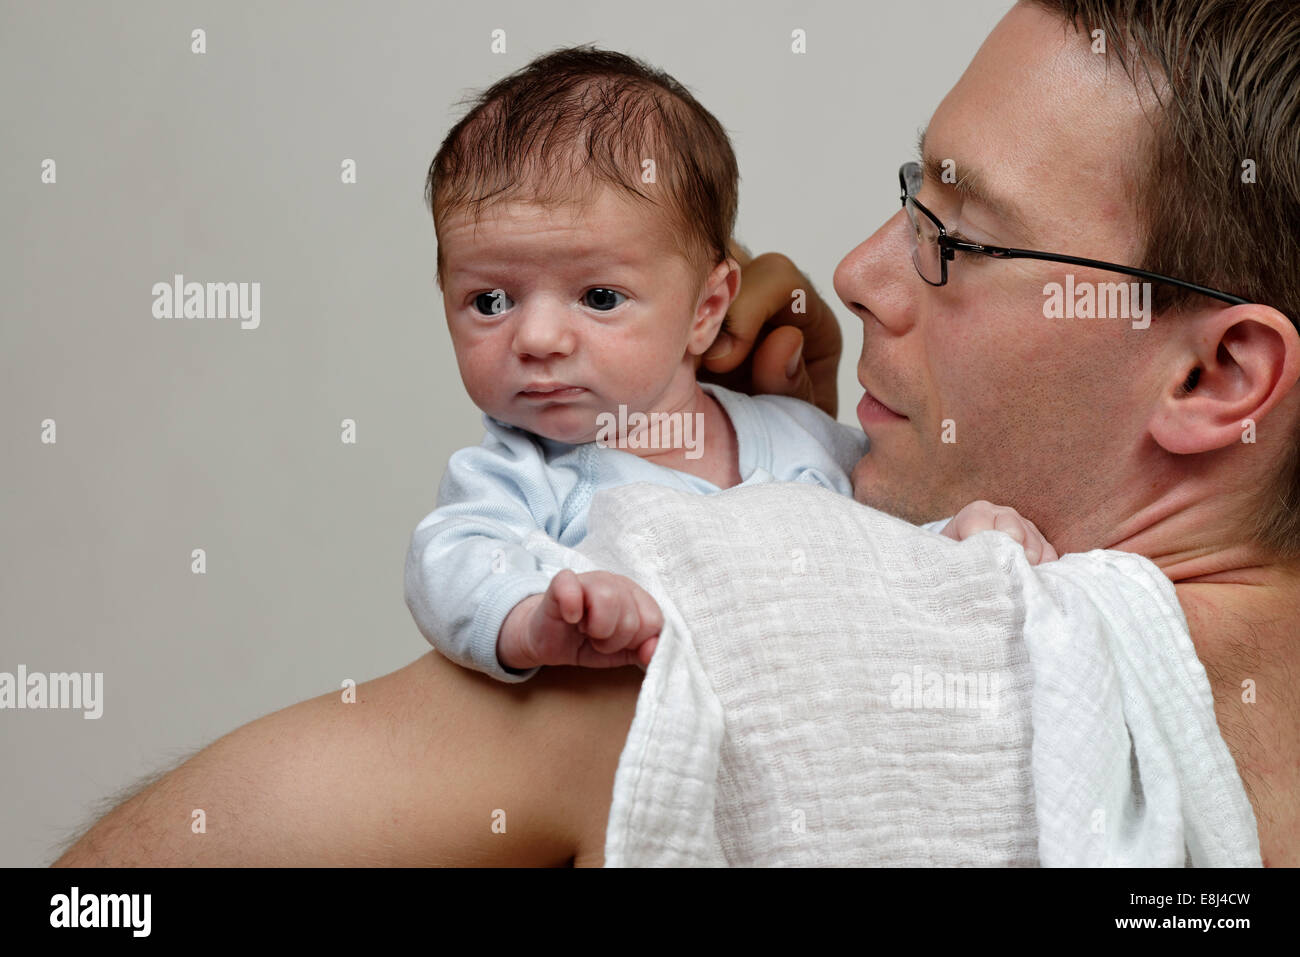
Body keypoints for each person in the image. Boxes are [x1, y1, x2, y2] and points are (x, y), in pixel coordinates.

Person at [54, 0, 1300, 867]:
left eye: (954, 240)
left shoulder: (695, 629)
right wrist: (795, 470)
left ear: (1218, 373)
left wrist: (767, 554)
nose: (857, 274)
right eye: (903, 194)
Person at [408, 46, 1053, 684]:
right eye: (489, 301)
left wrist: (961, 539)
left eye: (600, 297)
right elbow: (449, 562)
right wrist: (530, 623)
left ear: (706, 308)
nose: (538, 338)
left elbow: (877, 561)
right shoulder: (517, 478)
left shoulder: (800, 436)